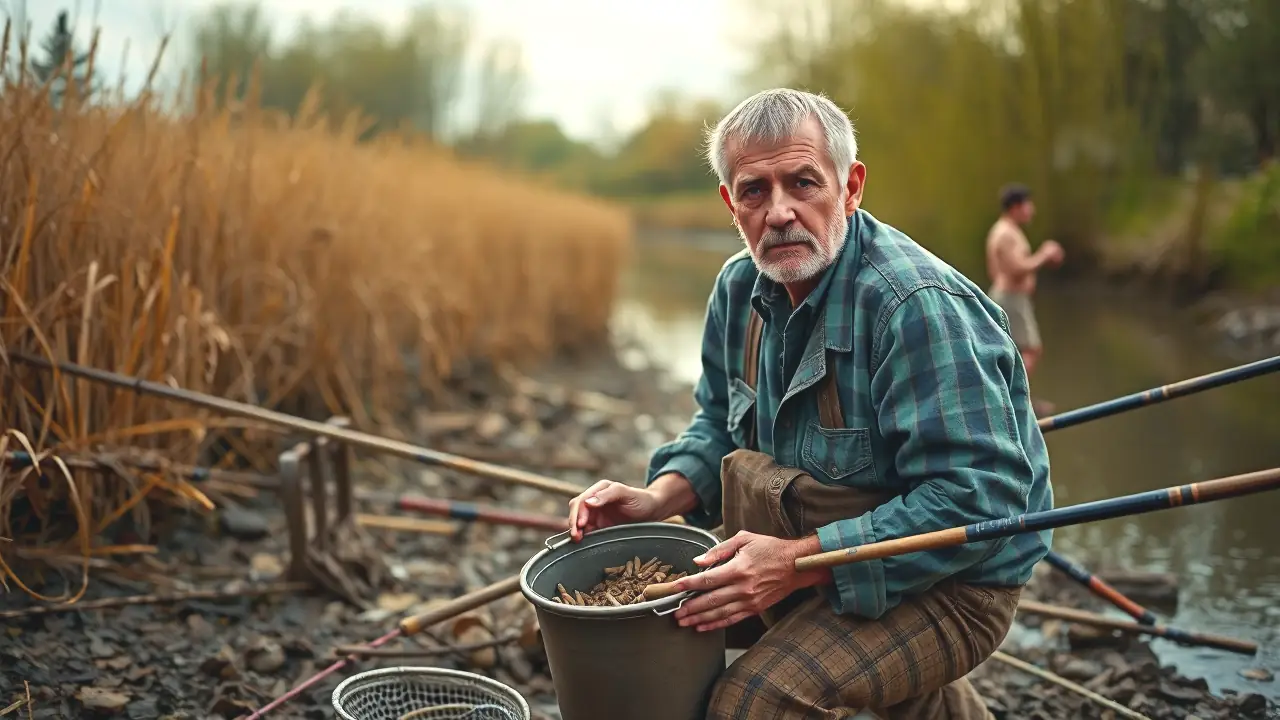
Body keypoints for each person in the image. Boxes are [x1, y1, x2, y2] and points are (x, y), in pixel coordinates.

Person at [566, 88, 1053, 719]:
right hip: (802, 541)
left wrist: (796, 563)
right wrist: (659, 497)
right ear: (729, 203)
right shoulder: (739, 288)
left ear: (850, 187)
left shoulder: (913, 307)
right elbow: (718, 422)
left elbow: (980, 499)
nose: (780, 213)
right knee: (638, 623)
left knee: (756, 702)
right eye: (755, 191)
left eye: (803, 183)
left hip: (956, 581)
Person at [984, 183, 1064, 385]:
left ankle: (1015, 396)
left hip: (1009, 297)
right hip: (1011, 298)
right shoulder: (1006, 234)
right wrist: (1044, 254)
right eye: (1028, 204)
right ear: (1016, 207)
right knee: (1031, 349)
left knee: (1015, 351)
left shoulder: (1003, 230)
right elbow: (1016, 269)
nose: (1032, 210)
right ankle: (1017, 397)